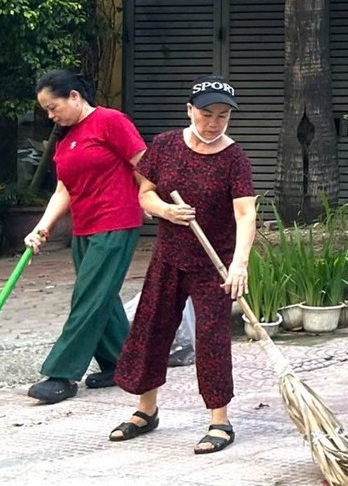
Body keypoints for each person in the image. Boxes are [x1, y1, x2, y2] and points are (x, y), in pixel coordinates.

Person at [109, 76, 257, 455]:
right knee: (150, 329)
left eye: (223, 116)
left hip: (213, 263)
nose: (213, 123)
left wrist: (239, 265)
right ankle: (146, 410)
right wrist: (166, 210)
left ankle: (219, 420)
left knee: (211, 339)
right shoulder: (165, 146)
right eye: (206, 114)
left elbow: (245, 214)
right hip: (169, 255)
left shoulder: (234, 158)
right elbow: (145, 193)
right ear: (189, 110)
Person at [24, 70, 146, 404]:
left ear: (75, 97)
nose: (51, 115)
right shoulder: (66, 138)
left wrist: (154, 201)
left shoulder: (111, 121)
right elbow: (64, 189)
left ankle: (61, 373)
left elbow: (144, 164)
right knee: (101, 296)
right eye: (46, 110)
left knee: (88, 297)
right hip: (85, 227)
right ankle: (124, 364)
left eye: (53, 107)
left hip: (116, 222)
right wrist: (42, 227)